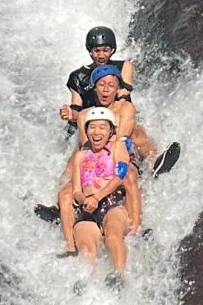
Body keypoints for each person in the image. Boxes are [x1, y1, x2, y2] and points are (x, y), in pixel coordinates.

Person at [50, 65, 181, 254]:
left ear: (118, 88)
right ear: (94, 88)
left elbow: (122, 142)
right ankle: (70, 243)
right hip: (95, 161)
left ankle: (136, 229)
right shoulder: (86, 114)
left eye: (111, 85)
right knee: (66, 188)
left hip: (119, 155)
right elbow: (88, 147)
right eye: (101, 85)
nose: (105, 90)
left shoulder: (125, 108)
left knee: (129, 170)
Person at [69, 106, 131, 289]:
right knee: (86, 248)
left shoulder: (117, 147)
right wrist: (85, 200)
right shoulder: (80, 156)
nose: (96, 132)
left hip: (112, 203)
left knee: (113, 235)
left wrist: (97, 197)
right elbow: (76, 190)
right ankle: (88, 283)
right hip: (88, 208)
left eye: (102, 127)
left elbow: (120, 176)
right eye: (92, 127)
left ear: (111, 131)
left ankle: (119, 274)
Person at [58, 26, 134, 126]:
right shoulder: (77, 76)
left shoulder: (124, 66)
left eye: (106, 50)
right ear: (90, 51)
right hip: (88, 122)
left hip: (117, 119)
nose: (101, 56)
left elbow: (123, 98)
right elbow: (77, 109)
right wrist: (70, 114)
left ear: (112, 50)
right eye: (97, 51)